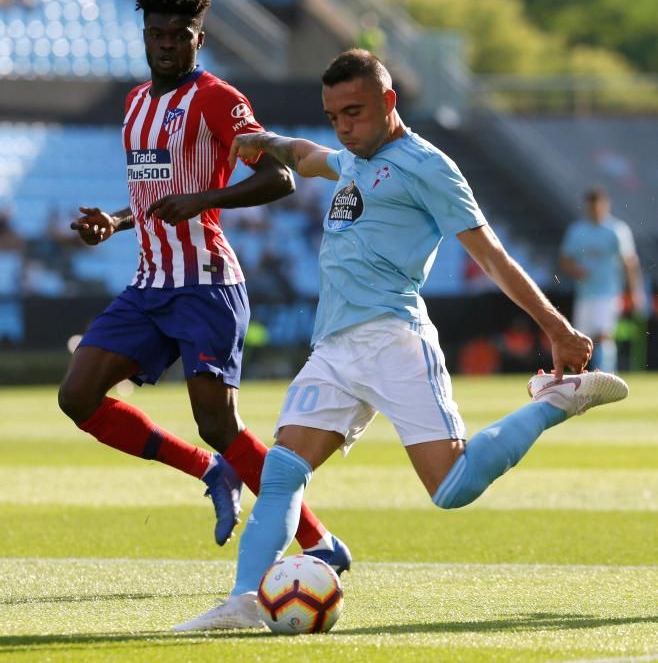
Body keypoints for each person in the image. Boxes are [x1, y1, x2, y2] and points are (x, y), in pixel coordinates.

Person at [171, 49, 629, 631]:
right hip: (334, 349)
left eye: (354, 112)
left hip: (395, 339)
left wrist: (556, 327)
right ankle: (244, 600)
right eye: (334, 114)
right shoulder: (354, 156)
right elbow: (312, 157)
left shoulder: (428, 167)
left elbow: (490, 255)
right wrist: (270, 141)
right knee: (283, 471)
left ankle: (554, 402)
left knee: (452, 488)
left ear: (390, 103)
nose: (344, 126)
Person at [57, 0, 350, 573]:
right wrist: (113, 222)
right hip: (149, 284)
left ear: (199, 38)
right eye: (156, 34)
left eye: (178, 35)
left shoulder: (217, 97)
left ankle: (320, 542)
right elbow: (153, 194)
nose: (166, 44)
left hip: (206, 284)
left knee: (219, 422)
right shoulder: (136, 102)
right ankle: (209, 470)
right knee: (77, 397)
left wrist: (205, 197)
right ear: (145, 36)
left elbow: (280, 177)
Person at [559, 187, 644, 372]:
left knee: (604, 335)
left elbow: (629, 262)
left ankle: (606, 374)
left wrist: (635, 292)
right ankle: (582, 378)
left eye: (598, 207)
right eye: (591, 208)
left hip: (608, 292)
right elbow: (565, 261)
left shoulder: (616, 230)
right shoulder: (577, 230)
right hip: (585, 293)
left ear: (605, 206)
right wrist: (576, 270)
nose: (595, 211)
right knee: (583, 338)